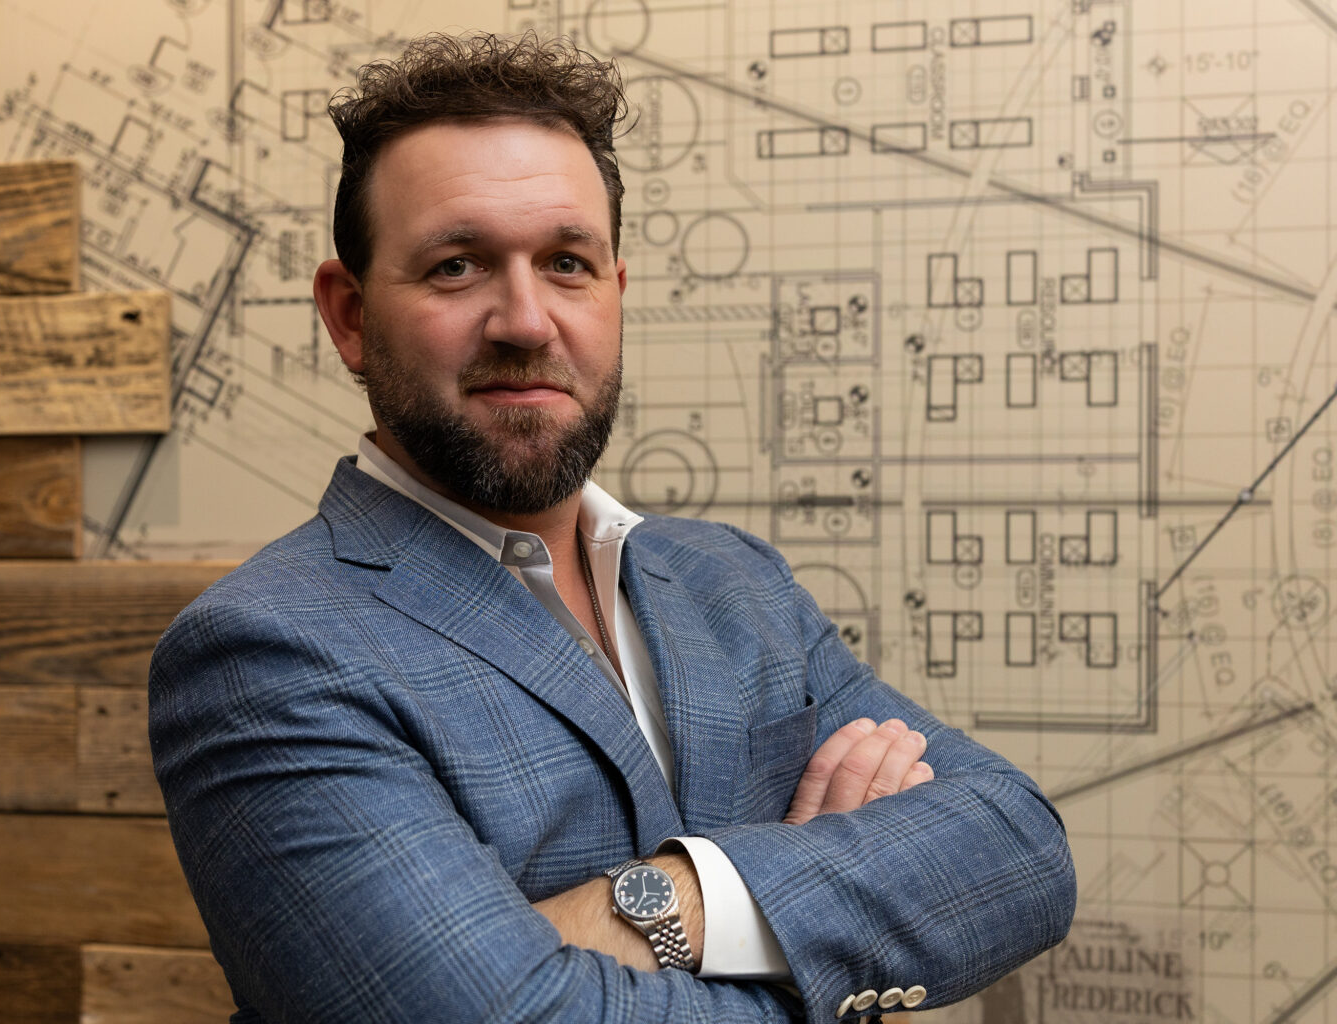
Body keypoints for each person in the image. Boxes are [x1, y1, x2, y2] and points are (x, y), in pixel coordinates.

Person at [149, 32, 1075, 1024]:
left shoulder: (734, 581)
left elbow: (1019, 849)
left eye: (567, 263)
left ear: (615, 294)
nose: (526, 320)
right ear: (349, 316)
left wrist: (672, 899)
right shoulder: (267, 651)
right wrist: (818, 917)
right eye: (457, 265)